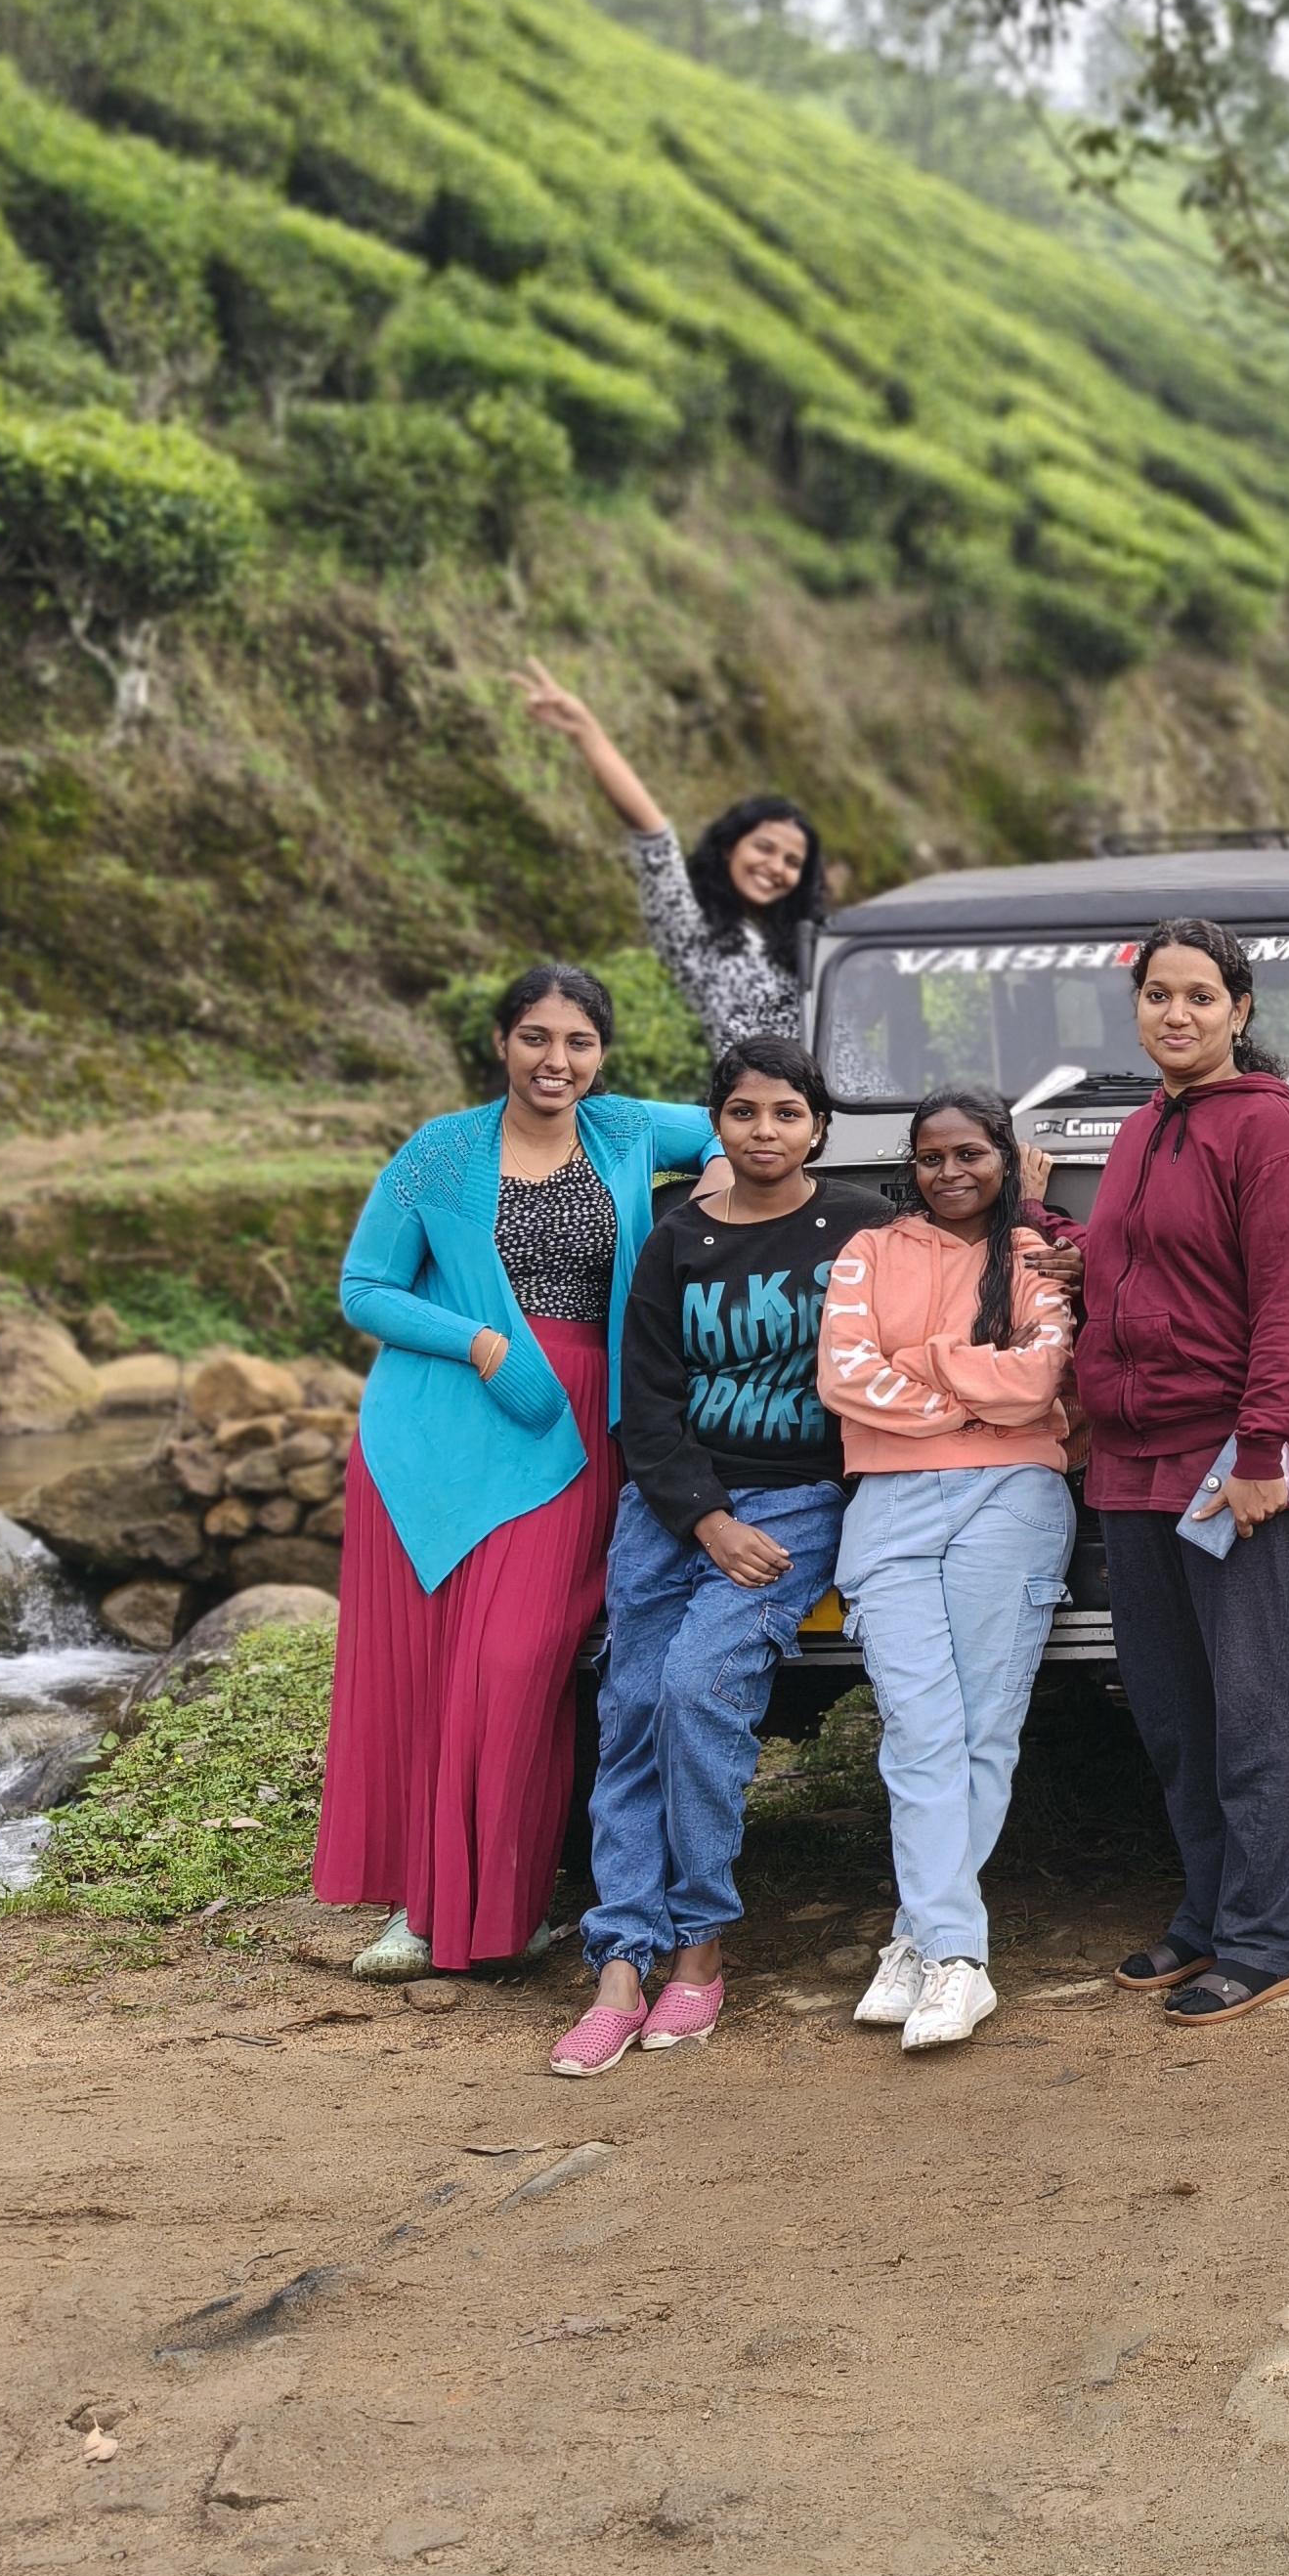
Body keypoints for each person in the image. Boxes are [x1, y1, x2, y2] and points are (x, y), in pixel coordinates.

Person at [323, 966, 720, 1981]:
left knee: (515, 1667)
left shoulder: (626, 1130)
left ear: (602, 1053)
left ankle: (492, 1903)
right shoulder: (440, 1151)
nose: (558, 1062)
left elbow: (745, 1121)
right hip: (443, 1424)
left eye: (579, 1042)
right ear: (501, 1042)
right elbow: (364, 1287)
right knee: (434, 1677)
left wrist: (716, 1174)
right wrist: (482, 1346)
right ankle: (424, 1908)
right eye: (536, 1038)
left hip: (581, 1425)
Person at [553, 1039, 881, 2076]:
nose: (766, 1132)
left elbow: (965, 1272)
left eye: (787, 1113)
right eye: (743, 1113)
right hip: (672, 1507)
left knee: (700, 1688)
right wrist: (702, 1518)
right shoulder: (675, 1238)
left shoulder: (862, 1228)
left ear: (817, 1127)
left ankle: (699, 1947)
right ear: (717, 1126)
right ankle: (619, 1961)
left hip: (797, 1500)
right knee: (634, 1703)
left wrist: (1043, 1233)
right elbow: (643, 1404)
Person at [1076, 920, 1289, 2024]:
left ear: (1239, 1010)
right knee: (1175, 1712)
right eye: (1156, 996)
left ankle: (1269, 1936)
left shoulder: (1271, 1132)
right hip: (1133, 1465)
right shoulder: (1142, 1127)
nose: (1174, 1015)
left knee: (1253, 1711)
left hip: (1233, 1464)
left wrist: (1265, 1451)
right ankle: (1207, 1913)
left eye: (1198, 996)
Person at [817, 1086, 1081, 2054]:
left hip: (1011, 1499)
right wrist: (971, 1389)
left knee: (981, 1727)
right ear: (912, 1166)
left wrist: (922, 1366)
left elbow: (1038, 1381)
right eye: (932, 1157)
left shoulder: (1031, 1260)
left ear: (1004, 1158)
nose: (951, 1172)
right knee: (918, 1726)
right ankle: (950, 1947)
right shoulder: (869, 1253)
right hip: (887, 1510)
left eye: (971, 1153)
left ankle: (929, 1948)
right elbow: (845, 1375)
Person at [515, 658, 824, 1052]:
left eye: (792, 861)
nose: (775, 867)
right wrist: (585, 730)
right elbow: (652, 832)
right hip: (757, 1104)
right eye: (764, 847)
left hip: (846, 1104)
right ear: (730, 847)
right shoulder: (692, 927)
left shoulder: (806, 945)